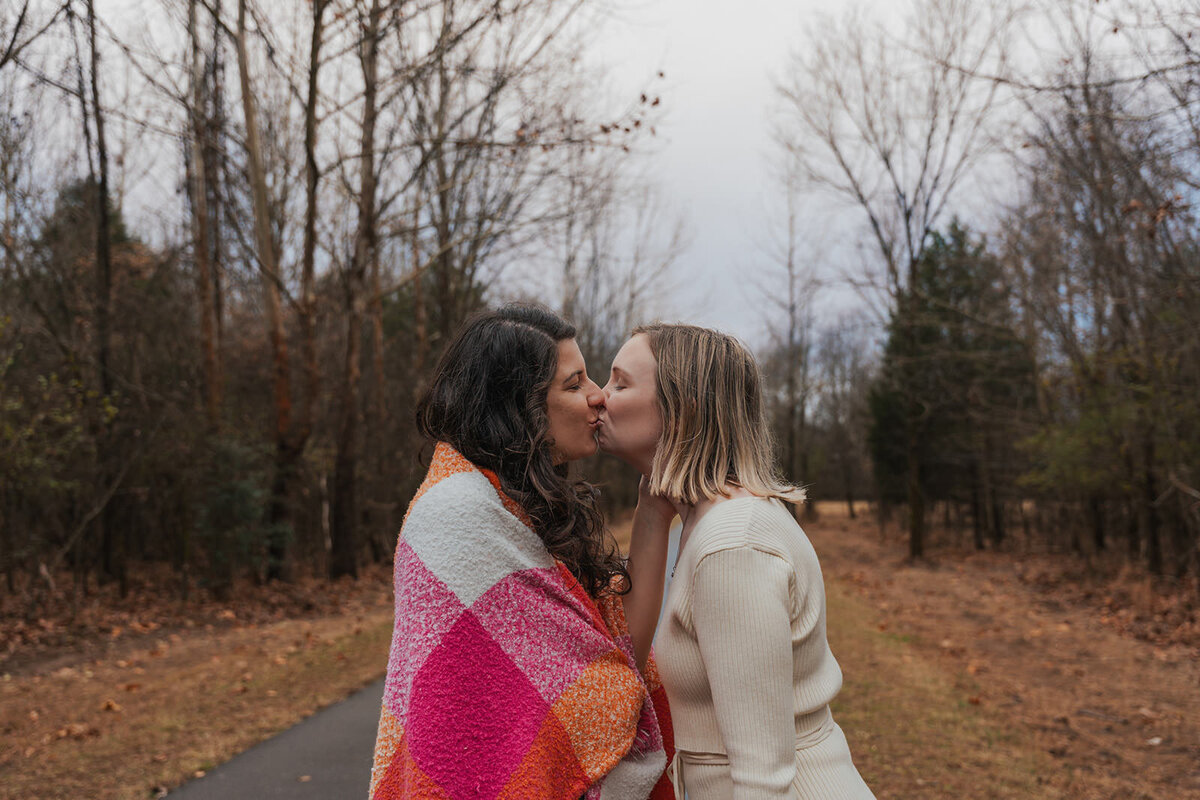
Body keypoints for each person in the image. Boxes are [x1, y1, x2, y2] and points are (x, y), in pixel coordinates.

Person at [368, 305, 674, 800]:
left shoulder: (521, 508)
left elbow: (619, 658)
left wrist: (653, 511)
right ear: (518, 407)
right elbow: (603, 691)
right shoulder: (458, 514)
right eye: (574, 384)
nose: (597, 396)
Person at [596, 322, 875, 800]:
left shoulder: (731, 544)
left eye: (620, 383)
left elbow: (762, 780)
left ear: (682, 411)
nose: (599, 398)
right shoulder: (708, 522)